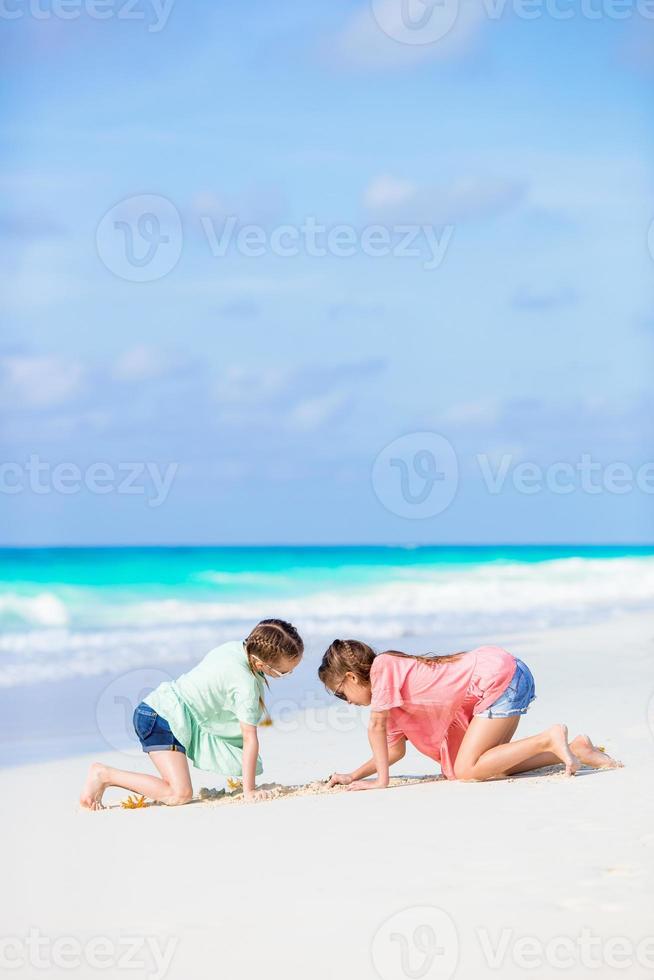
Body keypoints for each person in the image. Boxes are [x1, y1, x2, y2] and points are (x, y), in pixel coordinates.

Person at [319, 639, 620, 790]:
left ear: (351, 677)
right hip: (505, 679)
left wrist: (381, 782)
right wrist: (354, 776)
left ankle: (548, 738)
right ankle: (578, 748)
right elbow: (393, 750)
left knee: (465, 770)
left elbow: (375, 727)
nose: (346, 702)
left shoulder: (383, 667)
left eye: (340, 693)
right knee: (491, 765)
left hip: (497, 679)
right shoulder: (393, 705)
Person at [80, 618, 303, 808]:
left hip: (160, 709)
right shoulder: (245, 685)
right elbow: (249, 738)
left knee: (180, 789)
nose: (287, 674)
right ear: (260, 662)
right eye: (284, 672)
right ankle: (104, 775)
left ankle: (105, 775)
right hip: (163, 719)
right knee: (179, 794)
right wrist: (249, 790)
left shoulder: (233, 648)